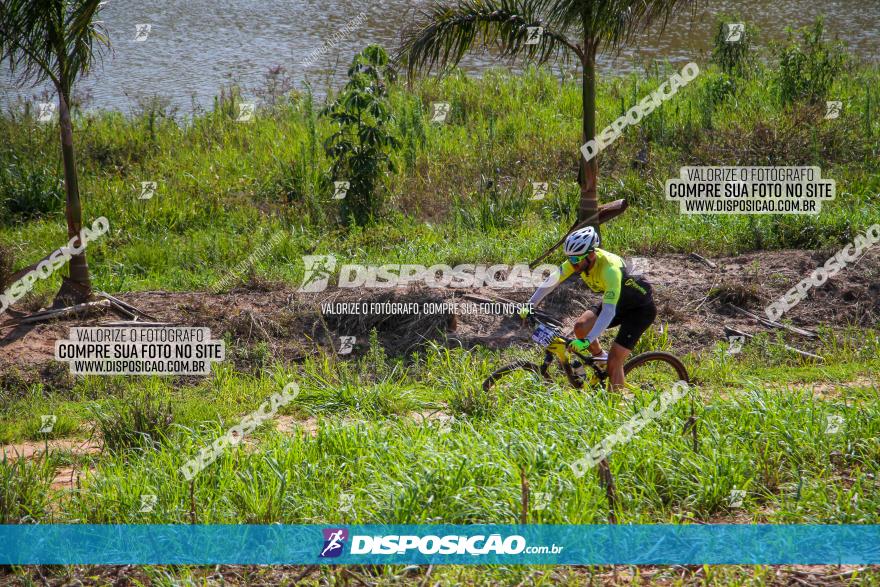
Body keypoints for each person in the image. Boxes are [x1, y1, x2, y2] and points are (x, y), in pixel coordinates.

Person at [520, 226, 656, 390]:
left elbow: (609, 311)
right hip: (618, 301)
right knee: (580, 327)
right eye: (570, 259)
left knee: (615, 360)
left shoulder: (610, 270)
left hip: (639, 310)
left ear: (591, 255)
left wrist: (587, 341)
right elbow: (553, 279)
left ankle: (617, 405)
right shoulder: (578, 260)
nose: (572, 264)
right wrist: (530, 303)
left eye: (576, 260)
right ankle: (600, 358)